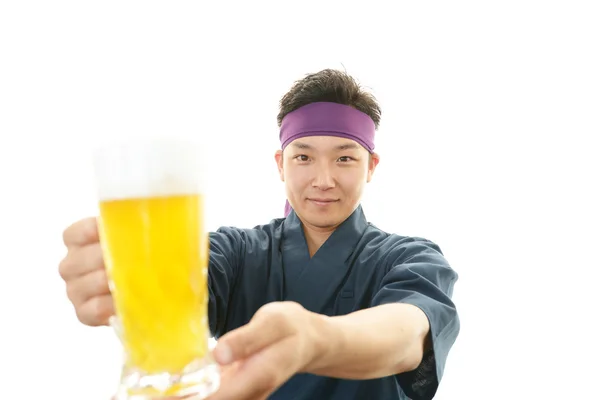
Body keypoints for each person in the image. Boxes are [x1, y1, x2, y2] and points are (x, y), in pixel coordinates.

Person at [59, 69, 460, 400]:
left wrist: (314, 340)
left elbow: (408, 334)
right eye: (303, 157)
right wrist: (127, 280)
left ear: (370, 166)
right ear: (280, 164)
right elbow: (187, 279)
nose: (324, 180)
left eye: (344, 158)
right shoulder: (238, 251)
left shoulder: (410, 257)